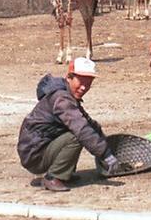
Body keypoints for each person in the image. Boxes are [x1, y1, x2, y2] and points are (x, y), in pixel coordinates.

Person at [17, 57, 121, 192]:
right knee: (77, 136)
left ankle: (65, 173)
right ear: (69, 78)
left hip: (38, 148)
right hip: (34, 155)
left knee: (79, 133)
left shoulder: (67, 95)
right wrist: (105, 154)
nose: (84, 87)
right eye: (81, 82)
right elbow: (82, 129)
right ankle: (53, 177)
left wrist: (106, 146)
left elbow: (88, 122)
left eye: (88, 83)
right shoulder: (62, 99)